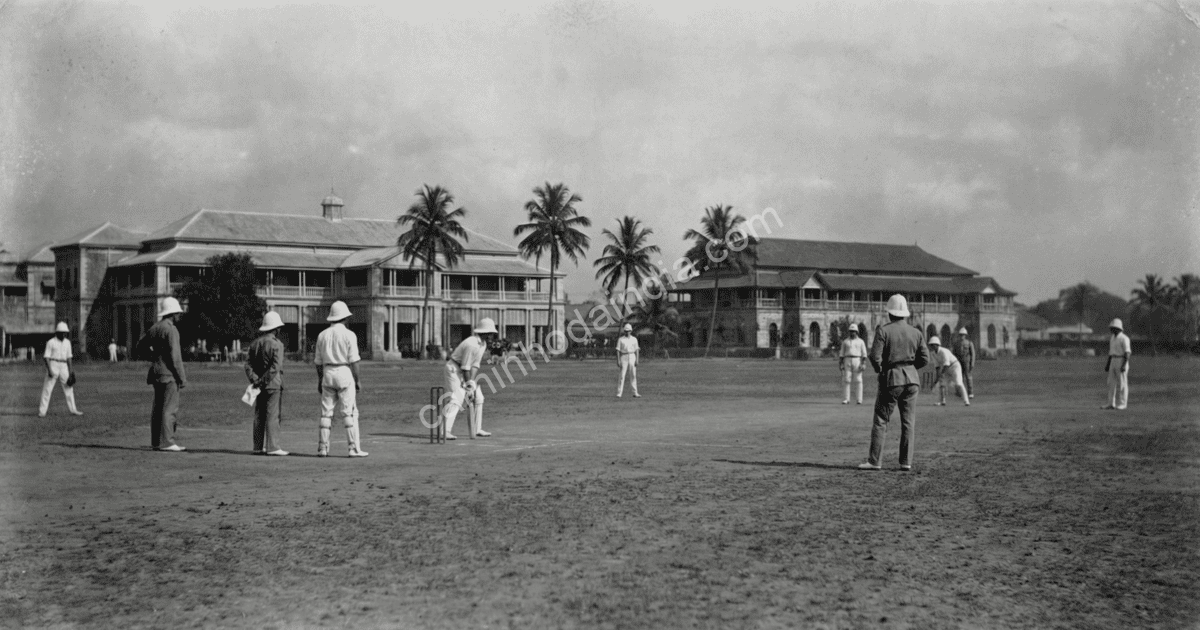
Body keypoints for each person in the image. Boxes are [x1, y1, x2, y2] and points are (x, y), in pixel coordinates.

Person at [860, 294, 929, 471]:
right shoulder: (916, 332)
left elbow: (875, 357)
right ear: (905, 313)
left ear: (889, 313)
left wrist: (881, 370)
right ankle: (906, 462)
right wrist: (911, 368)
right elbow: (925, 358)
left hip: (892, 377)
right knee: (908, 422)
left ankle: (875, 461)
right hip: (912, 380)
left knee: (881, 420)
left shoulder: (883, 330)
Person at [314, 301, 367, 457]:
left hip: (327, 372)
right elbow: (354, 362)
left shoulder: (322, 335)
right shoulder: (349, 335)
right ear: (345, 317)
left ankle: (323, 448)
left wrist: (320, 379)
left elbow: (317, 362)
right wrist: (357, 380)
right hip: (344, 371)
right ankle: (352, 448)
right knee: (348, 412)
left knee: (326, 413)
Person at [138, 297, 187, 451]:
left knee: (158, 408)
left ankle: (156, 442)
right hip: (169, 373)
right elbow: (175, 356)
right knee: (169, 408)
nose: (179, 315)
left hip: (156, 372)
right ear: (172, 313)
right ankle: (167, 441)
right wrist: (182, 377)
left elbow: (140, 346)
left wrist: (152, 357)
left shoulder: (154, 327)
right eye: (177, 313)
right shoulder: (171, 329)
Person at [441, 318, 498, 439]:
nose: (492, 336)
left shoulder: (483, 344)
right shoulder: (472, 343)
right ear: (484, 333)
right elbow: (465, 367)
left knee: (479, 397)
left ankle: (477, 429)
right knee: (456, 398)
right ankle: (444, 431)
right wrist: (468, 386)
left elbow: (475, 366)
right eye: (490, 333)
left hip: (463, 371)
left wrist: (471, 385)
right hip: (453, 369)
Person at [245, 311, 288, 456]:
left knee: (259, 415)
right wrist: (264, 381)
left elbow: (248, 365)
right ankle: (273, 446)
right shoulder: (277, 344)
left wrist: (256, 380)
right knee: (272, 415)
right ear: (276, 328)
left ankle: (257, 446)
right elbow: (275, 367)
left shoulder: (254, 344)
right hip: (273, 384)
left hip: (258, 385)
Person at [39, 321, 84, 417]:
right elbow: (46, 357)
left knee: (69, 388)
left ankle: (73, 409)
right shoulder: (51, 342)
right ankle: (42, 411)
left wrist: (71, 371)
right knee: (47, 389)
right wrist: (50, 370)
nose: (64, 334)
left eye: (65, 332)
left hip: (64, 366)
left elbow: (69, 357)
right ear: (57, 332)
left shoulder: (67, 343)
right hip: (53, 364)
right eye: (62, 332)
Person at [928, 336, 969, 407]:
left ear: (937, 344)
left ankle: (966, 401)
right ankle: (942, 401)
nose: (931, 346)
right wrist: (936, 381)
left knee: (959, 383)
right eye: (930, 345)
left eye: (933, 345)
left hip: (955, 366)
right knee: (942, 384)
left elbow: (946, 365)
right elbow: (937, 368)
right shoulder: (933, 354)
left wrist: (941, 374)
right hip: (946, 368)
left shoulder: (943, 351)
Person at [1103, 318, 1131, 410]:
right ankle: (1111, 403)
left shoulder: (1124, 338)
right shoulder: (1112, 338)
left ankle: (1123, 403)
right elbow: (1111, 353)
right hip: (1113, 361)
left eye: (1113, 328)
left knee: (1122, 383)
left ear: (1118, 328)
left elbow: (1127, 353)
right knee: (1111, 383)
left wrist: (1123, 365)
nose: (1111, 330)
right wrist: (1108, 364)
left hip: (1121, 360)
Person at [838, 325, 867, 404]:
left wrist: (863, 363)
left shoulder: (861, 341)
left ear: (856, 332)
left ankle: (859, 399)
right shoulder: (845, 341)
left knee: (858, 380)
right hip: (847, 359)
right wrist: (840, 363)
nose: (852, 333)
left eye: (853, 331)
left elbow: (864, 354)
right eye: (850, 331)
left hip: (857, 359)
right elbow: (841, 354)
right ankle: (846, 399)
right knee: (846, 380)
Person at [616, 323, 640, 398]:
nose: (627, 332)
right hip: (624, 356)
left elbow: (636, 350)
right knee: (622, 376)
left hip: (632, 356)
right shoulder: (621, 339)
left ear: (631, 331)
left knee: (633, 375)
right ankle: (619, 393)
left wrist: (637, 360)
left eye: (629, 331)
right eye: (626, 331)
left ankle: (635, 392)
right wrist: (618, 360)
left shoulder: (634, 339)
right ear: (624, 331)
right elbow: (618, 350)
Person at [952, 327, 976, 398]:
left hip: (967, 361)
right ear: (959, 335)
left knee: (968, 377)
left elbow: (973, 354)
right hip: (959, 362)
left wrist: (972, 363)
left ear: (965, 335)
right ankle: (959, 392)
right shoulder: (956, 343)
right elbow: (954, 354)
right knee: (959, 377)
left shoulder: (969, 343)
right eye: (961, 335)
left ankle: (970, 392)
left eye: (963, 335)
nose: (962, 336)